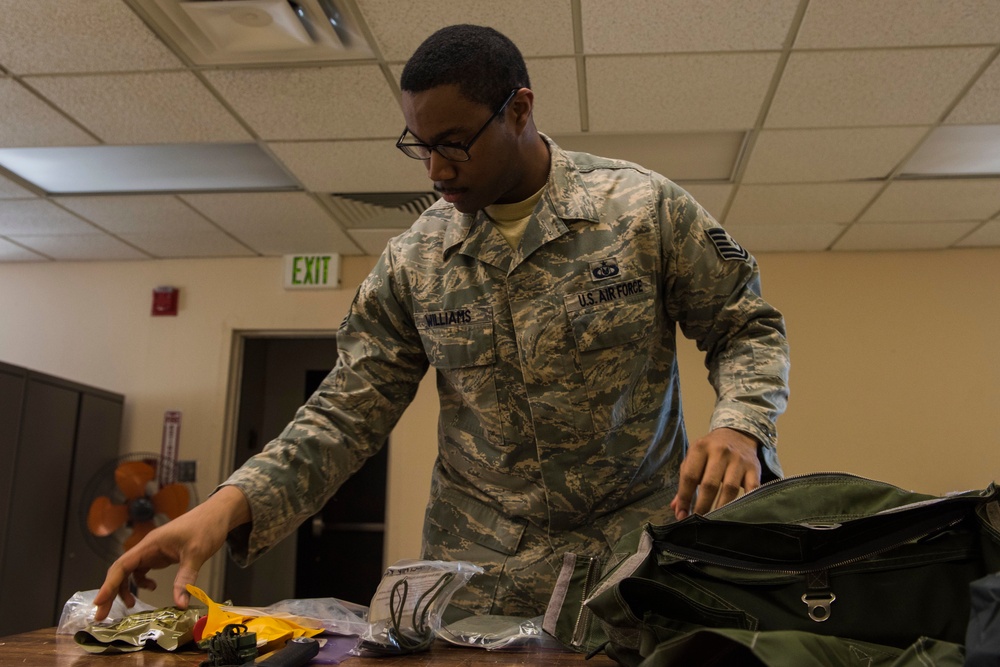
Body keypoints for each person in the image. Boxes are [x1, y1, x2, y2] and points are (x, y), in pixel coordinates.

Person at [95, 24, 789, 621]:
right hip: (477, 569)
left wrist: (741, 423)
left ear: (520, 110)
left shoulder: (642, 211)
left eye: (454, 143)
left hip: (633, 550)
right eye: (419, 144)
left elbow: (745, 324)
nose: (434, 168)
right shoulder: (416, 261)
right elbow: (345, 411)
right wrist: (225, 505)